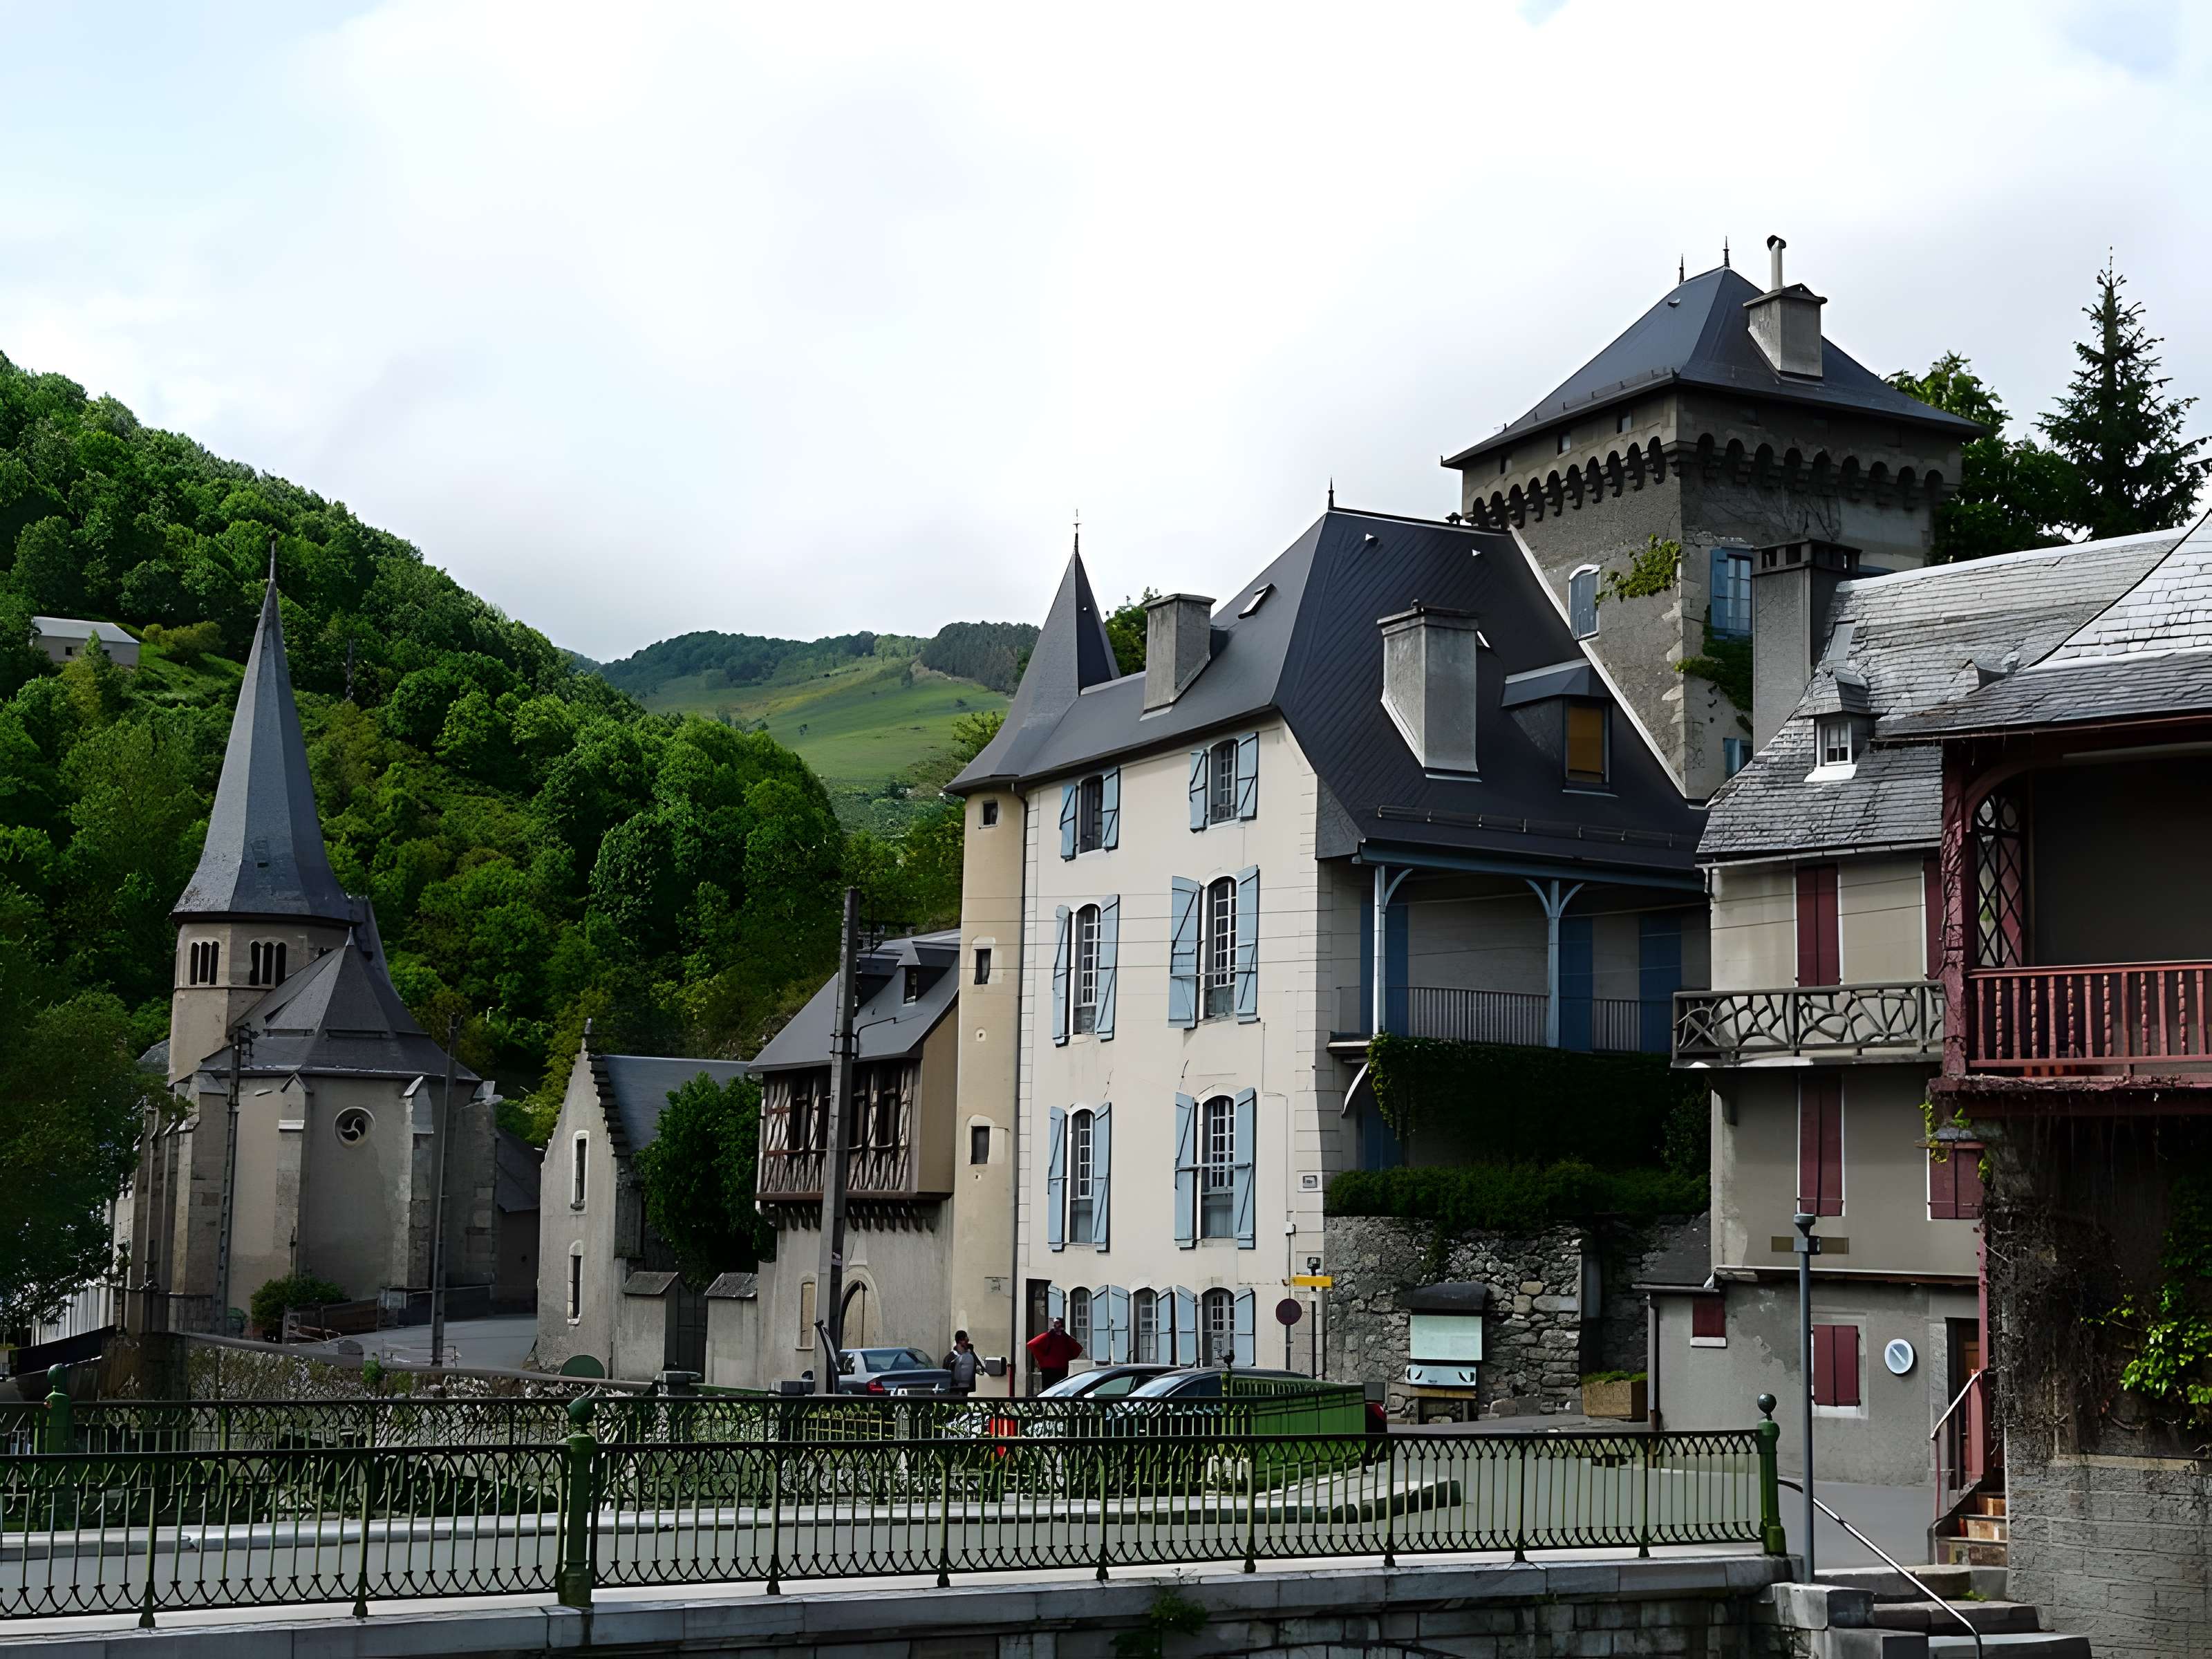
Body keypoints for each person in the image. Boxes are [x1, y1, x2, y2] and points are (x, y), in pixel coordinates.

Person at [1026, 1315, 1082, 1391]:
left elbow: (1031, 1345)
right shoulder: (1052, 1337)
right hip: (1055, 1368)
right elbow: (1032, 1344)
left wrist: (1042, 1359)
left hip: (1055, 1368)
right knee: (1055, 1391)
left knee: (1054, 1391)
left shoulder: (1061, 1338)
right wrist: (1042, 1359)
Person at [942, 1329, 980, 1396]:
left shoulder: (970, 1354)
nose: (967, 1343)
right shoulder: (951, 1357)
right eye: (965, 1340)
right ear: (960, 1341)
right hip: (954, 1388)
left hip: (965, 1388)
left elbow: (980, 1367)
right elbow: (945, 1373)